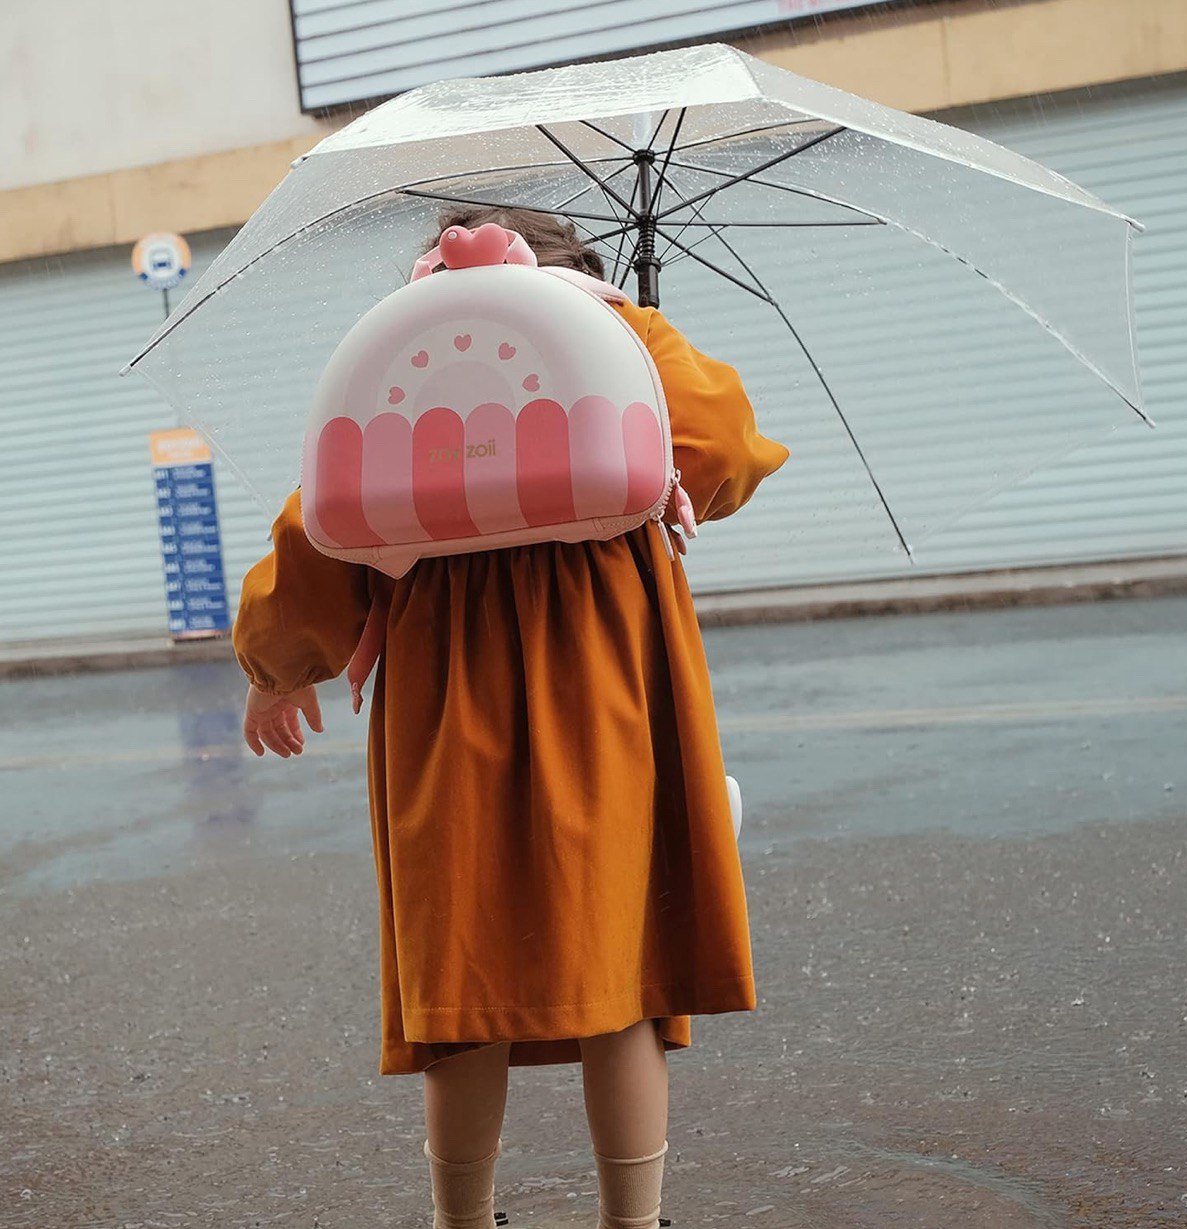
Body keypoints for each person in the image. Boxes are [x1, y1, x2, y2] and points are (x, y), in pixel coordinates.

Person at [233, 205, 789, 1229]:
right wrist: (639, 344)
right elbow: (726, 450)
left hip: (445, 705)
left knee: (464, 969)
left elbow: (318, 530)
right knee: (619, 962)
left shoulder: (406, 360)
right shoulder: (628, 339)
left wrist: (277, 668)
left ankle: (464, 1218)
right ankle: (634, 1217)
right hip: (607, 683)